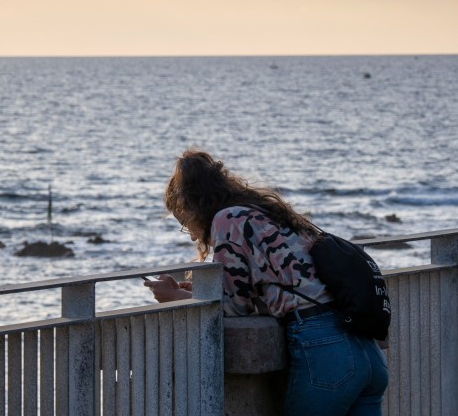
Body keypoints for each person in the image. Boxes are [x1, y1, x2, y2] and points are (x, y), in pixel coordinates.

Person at [144, 148, 388, 416]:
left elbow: (234, 307)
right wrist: (199, 291)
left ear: (193, 206)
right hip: (365, 351)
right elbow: (279, 283)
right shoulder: (268, 213)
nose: (191, 236)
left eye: (184, 223)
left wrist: (173, 297)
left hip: (326, 349)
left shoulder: (228, 219)